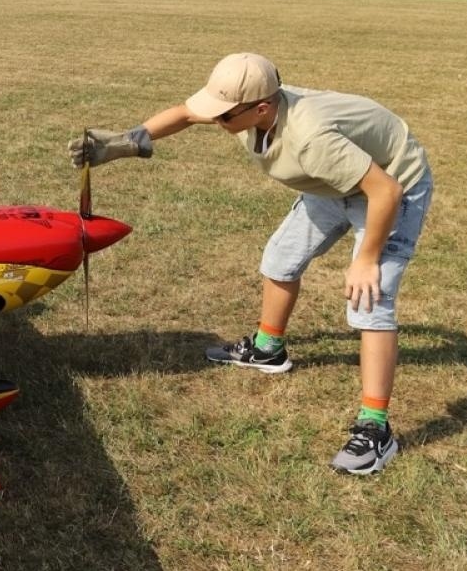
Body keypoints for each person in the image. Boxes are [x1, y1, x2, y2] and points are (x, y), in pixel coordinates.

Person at [70, 53, 433, 475]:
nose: (216, 121)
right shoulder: (248, 108)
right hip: (335, 184)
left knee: (369, 301)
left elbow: (384, 190)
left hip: (391, 185)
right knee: (280, 259)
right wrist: (121, 143)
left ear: (261, 108)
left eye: (224, 117)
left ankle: (376, 428)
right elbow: (187, 114)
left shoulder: (311, 139)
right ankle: (267, 349)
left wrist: (367, 259)